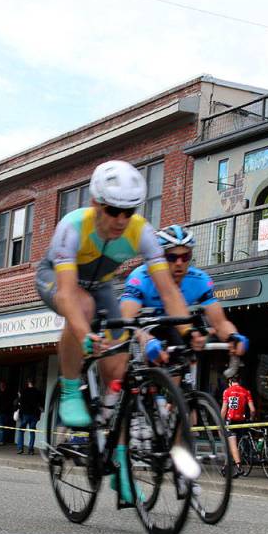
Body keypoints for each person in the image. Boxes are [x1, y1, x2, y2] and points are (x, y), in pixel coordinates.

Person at [35, 160, 195, 430]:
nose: (122, 220)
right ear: (96, 203)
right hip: (55, 280)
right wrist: (85, 334)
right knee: (82, 305)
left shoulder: (141, 231)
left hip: (101, 286)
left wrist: (189, 332)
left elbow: (169, 291)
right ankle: (71, 390)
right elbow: (66, 295)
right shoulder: (72, 226)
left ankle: (115, 449)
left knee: (119, 361)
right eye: (113, 210)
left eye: (129, 211)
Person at [120, 224, 249, 497]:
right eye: (172, 257)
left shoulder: (198, 280)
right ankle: (140, 413)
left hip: (178, 327)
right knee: (133, 363)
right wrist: (145, 340)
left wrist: (234, 336)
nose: (179, 263)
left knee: (183, 402)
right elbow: (127, 321)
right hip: (145, 327)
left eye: (185, 256)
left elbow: (219, 320)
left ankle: (178, 458)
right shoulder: (141, 277)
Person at [220, 374, 256, 476]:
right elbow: (253, 410)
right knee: (234, 446)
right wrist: (251, 419)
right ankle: (225, 467)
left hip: (230, 421)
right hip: (241, 421)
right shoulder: (246, 392)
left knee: (232, 445)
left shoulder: (227, 391)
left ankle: (239, 467)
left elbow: (224, 410)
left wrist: (220, 422)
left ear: (230, 382)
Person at [16, 378, 43, 454]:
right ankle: (30, 450)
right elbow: (41, 406)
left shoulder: (23, 391)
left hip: (25, 414)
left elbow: (19, 403)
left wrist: (20, 396)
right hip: (34, 415)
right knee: (32, 431)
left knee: (21, 431)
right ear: (35, 383)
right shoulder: (38, 392)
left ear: (28, 383)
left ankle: (20, 448)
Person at [0, 380, 14, 446]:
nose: (0, 386)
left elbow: (2, 404)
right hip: (2, 412)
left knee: (1, 427)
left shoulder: (5, 394)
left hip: (3, 412)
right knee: (1, 427)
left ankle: (0, 441)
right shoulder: (2, 393)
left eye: (2, 385)